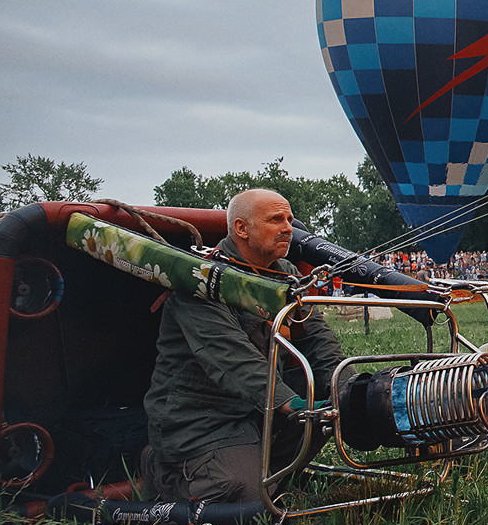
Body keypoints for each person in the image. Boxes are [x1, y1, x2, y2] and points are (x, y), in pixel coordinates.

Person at [142, 189, 352, 504]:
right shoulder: (200, 280)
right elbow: (231, 358)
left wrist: (348, 390)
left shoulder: (286, 274)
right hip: (202, 418)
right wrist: (291, 404)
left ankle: (271, 480)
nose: (288, 228)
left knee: (327, 400)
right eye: (276, 220)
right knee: (246, 501)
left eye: (289, 220)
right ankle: (163, 472)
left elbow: (317, 338)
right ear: (242, 228)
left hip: (255, 409)